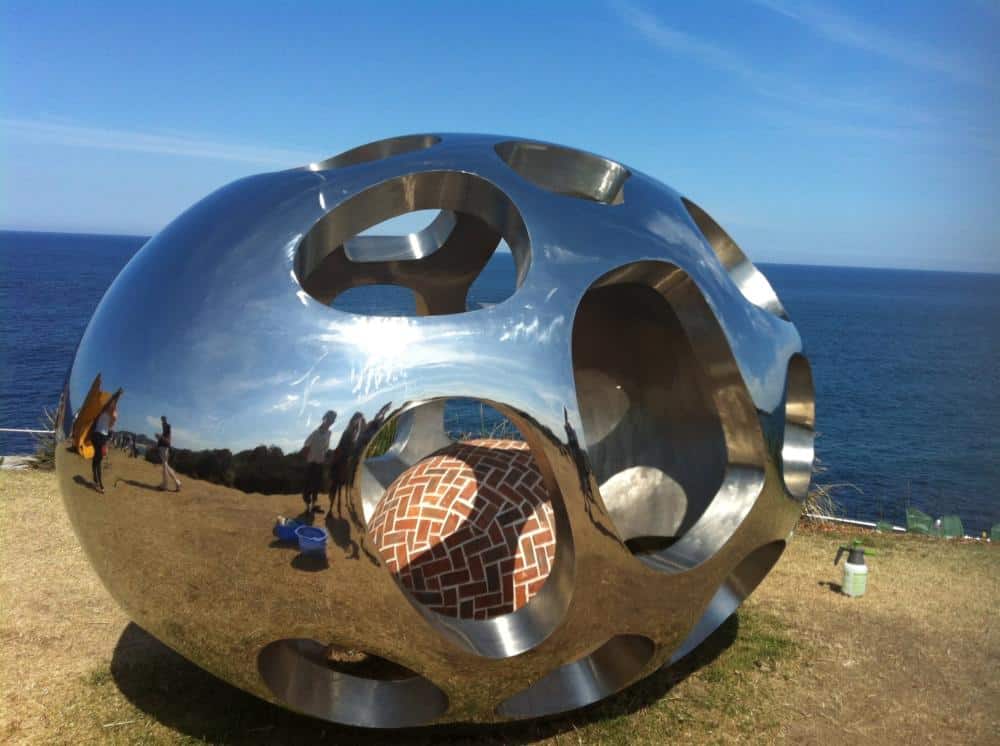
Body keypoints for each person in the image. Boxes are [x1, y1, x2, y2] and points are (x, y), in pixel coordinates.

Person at [301, 410, 337, 513]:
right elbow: (306, 445)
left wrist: (326, 458)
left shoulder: (329, 433)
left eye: (333, 420)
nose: (331, 421)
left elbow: (326, 448)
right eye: (330, 419)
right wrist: (307, 459)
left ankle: (313, 506)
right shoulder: (315, 433)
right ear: (325, 418)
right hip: (311, 463)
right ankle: (307, 507)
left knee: (316, 486)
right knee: (307, 486)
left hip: (320, 463)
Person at [90, 396, 118, 493]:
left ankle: (95, 480)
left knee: (97, 458)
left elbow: (110, 425)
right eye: (113, 403)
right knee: (98, 460)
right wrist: (113, 418)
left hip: (99, 436)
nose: (113, 405)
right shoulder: (107, 411)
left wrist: (112, 418)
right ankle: (100, 485)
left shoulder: (105, 410)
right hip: (99, 436)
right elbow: (110, 425)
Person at [157, 416, 182, 491]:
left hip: (164, 448)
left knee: (165, 465)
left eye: (163, 420)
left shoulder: (167, 427)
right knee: (166, 466)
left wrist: (160, 437)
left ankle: (165, 485)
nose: (162, 423)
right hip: (164, 447)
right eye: (162, 420)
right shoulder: (166, 429)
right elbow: (167, 440)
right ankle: (177, 482)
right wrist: (160, 437)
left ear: (165, 420)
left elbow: (167, 440)